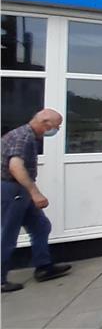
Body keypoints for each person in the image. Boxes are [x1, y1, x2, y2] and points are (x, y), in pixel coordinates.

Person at [2, 109, 72, 292]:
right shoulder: (22, 136)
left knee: (41, 226)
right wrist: (35, 193)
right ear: (45, 123)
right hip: (12, 190)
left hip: (20, 190)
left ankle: (43, 267)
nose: (56, 130)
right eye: (56, 126)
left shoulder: (28, 136)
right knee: (8, 234)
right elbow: (15, 167)